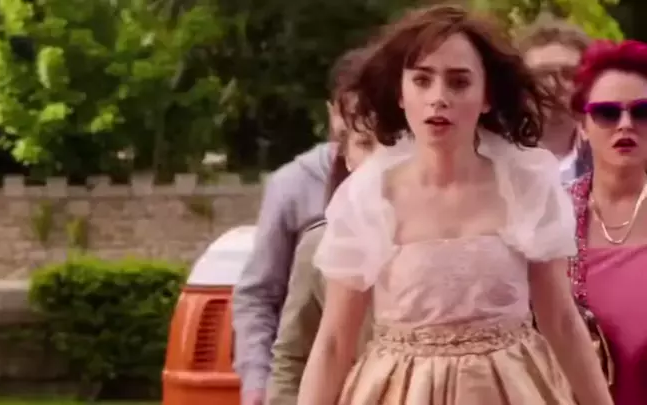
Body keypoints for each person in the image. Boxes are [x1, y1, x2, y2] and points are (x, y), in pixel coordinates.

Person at [297, 5, 613, 405]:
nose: (438, 98)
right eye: (422, 80)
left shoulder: (526, 184)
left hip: (511, 390)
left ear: (486, 97)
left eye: (459, 82)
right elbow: (333, 342)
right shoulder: (368, 195)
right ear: (401, 93)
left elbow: (562, 322)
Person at [231, 49, 364, 405]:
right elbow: (259, 294)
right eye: (351, 115)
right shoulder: (292, 186)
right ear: (333, 112)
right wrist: (257, 383)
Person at [266, 122, 377, 405]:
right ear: (347, 156)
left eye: (393, 145)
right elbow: (292, 358)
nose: (378, 160)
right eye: (365, 144)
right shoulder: (320, 245)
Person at [567, 39, 647, 405]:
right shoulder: (552, 215)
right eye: (606, 113)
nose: (625, 125)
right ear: (582, 126)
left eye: (642, 112)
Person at [515, 13, 593, 183]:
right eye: (541, 75)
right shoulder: (495, 157)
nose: (553, 85)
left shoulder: (607, 158)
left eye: (568, 74)